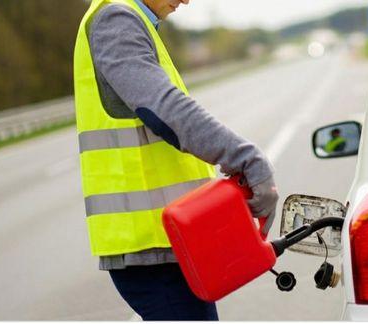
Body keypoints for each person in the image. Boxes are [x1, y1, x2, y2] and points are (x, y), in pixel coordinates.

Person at [73, 0, 279, 320]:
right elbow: (165, 110)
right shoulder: (116, 19)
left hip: (169, 241)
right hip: (151, 247)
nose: (187, 0)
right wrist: (246, 158)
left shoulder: (134, 21)